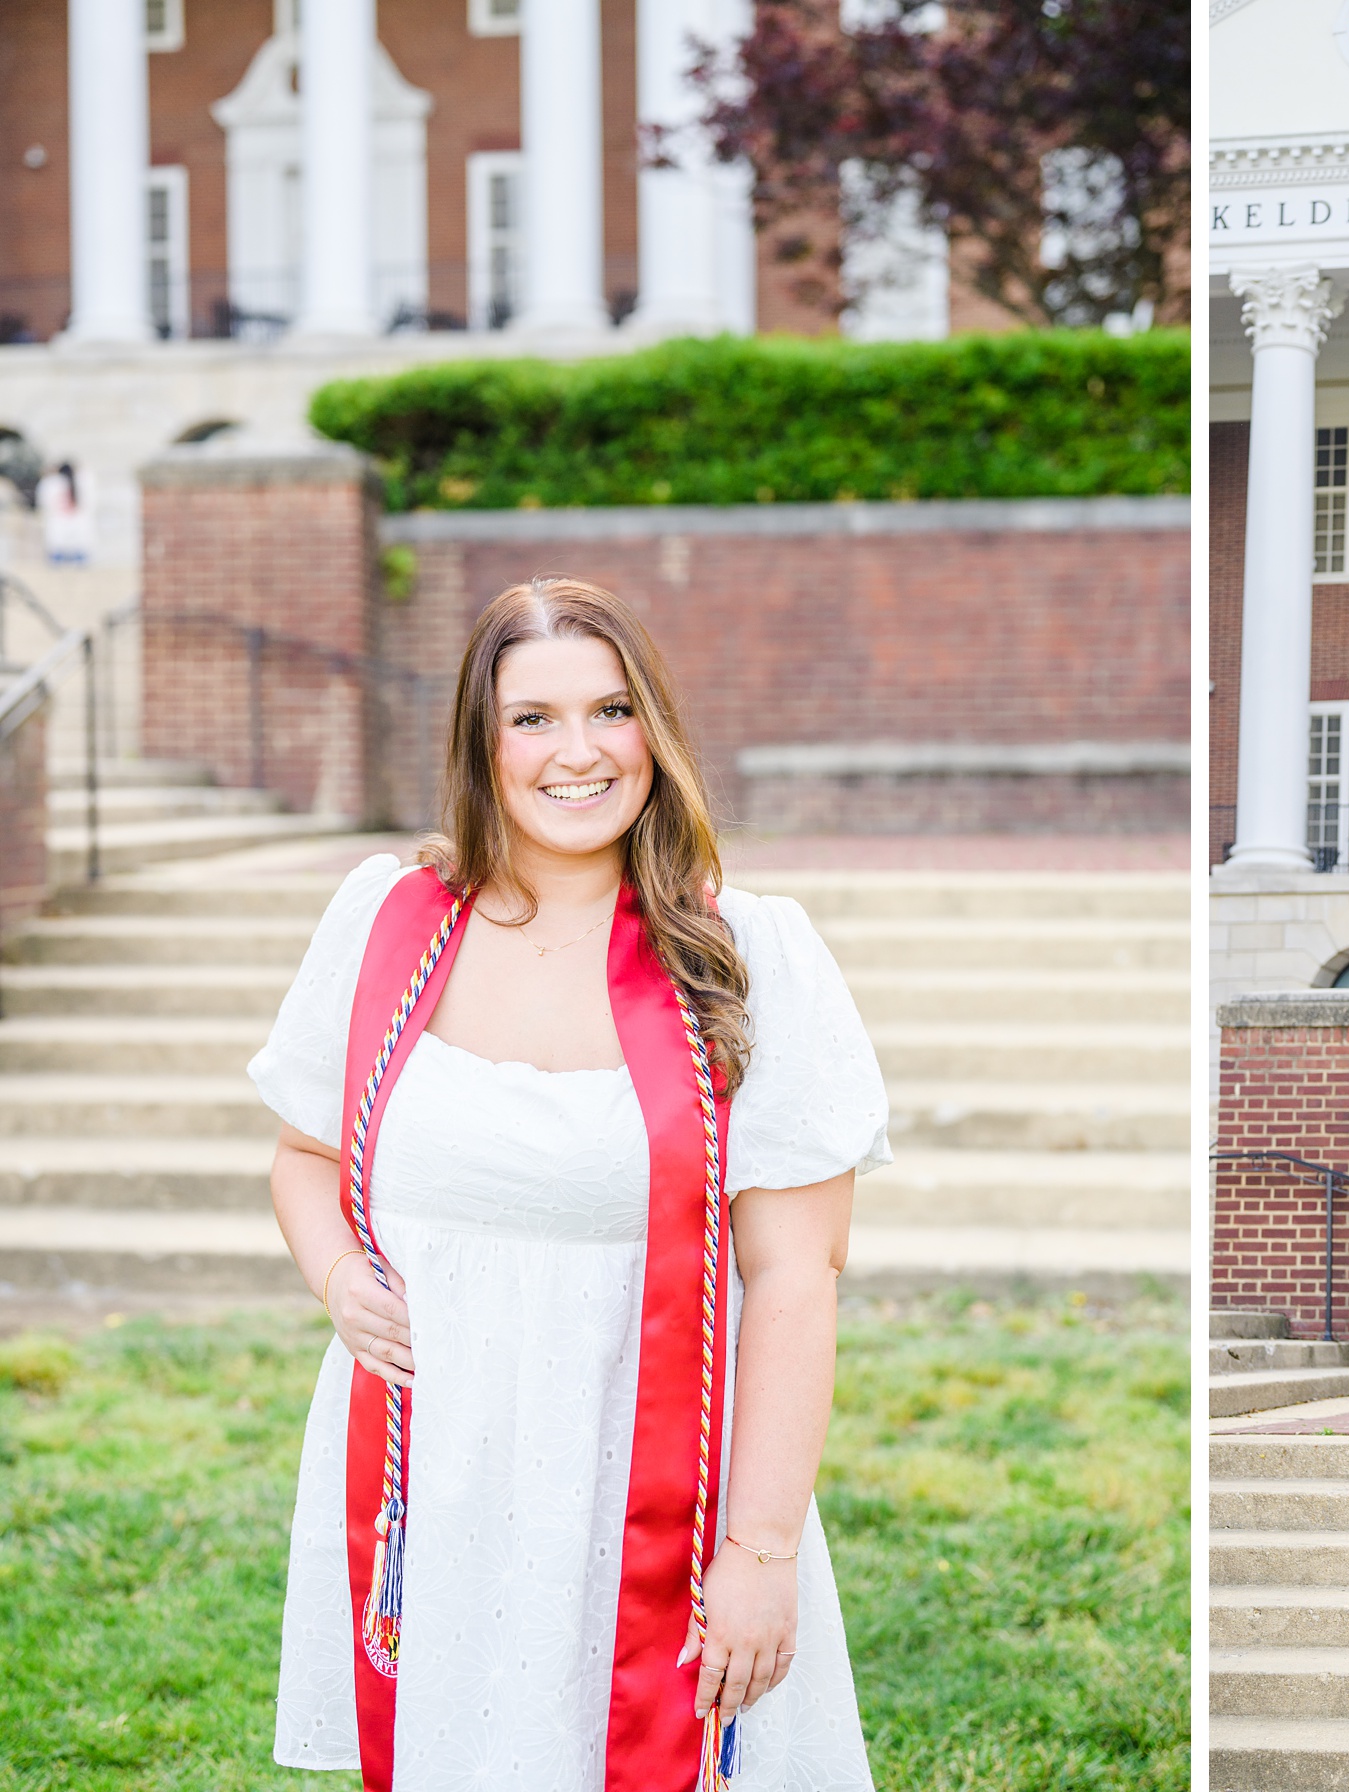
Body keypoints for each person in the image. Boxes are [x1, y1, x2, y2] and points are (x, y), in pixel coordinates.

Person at [249, 577, 888, 1790]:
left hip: (647, 1484)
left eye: (611, 710)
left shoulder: (746, 957)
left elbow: (796, 1281)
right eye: (532, 718)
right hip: (431, 1471)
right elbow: (304, 1159)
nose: (579, 752)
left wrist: (758, 1552)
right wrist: (338, 1277)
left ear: (656, 727)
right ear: (479, 744)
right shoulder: (387, 923)